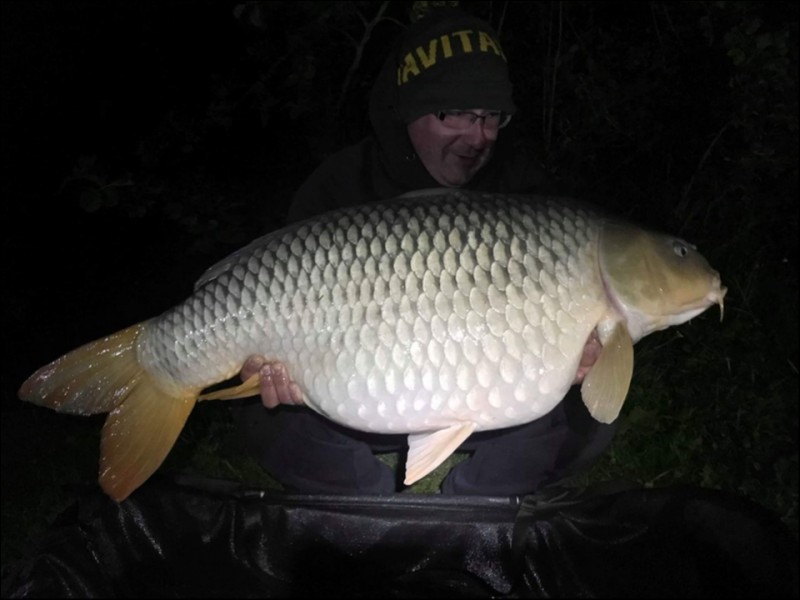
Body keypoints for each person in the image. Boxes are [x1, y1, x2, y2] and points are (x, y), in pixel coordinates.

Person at [231, 7, 613, 496]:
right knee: (263, 418)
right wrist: (271, 375)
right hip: (351, 403)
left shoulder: (521, 190)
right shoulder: (338, 186)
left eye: (491, 117)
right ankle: (372, 512)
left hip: (494, 402)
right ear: (410, 109)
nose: (479, 136)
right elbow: (269, 308)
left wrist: (583, 351)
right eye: (456, 114)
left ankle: (474, 509)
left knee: (591, 415)